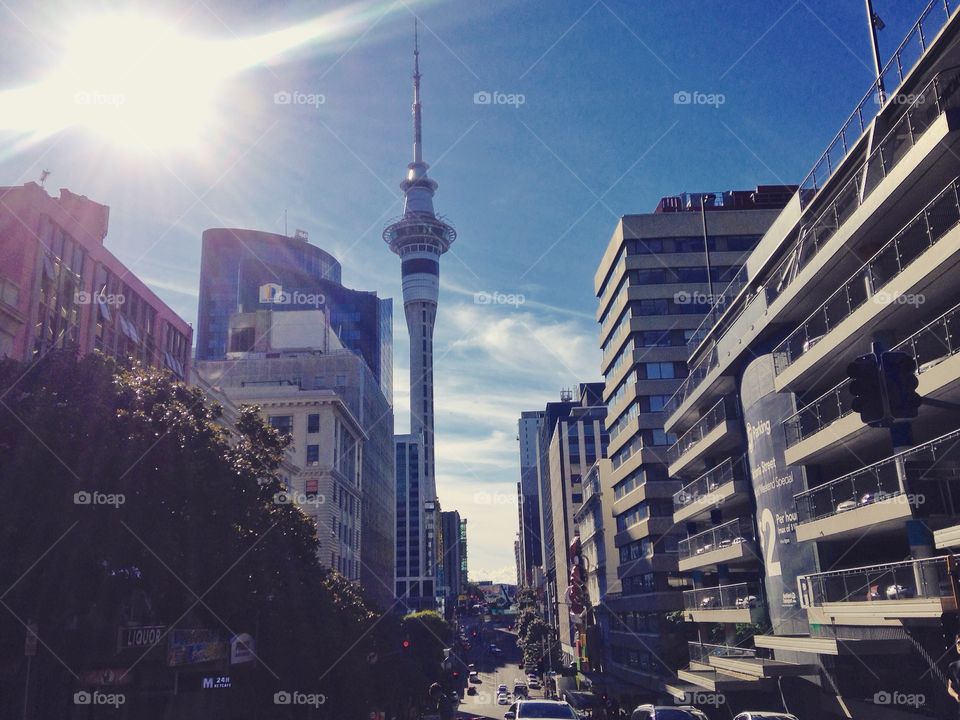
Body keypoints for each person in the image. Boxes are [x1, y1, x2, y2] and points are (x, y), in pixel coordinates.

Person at [949, 634, 960, 717]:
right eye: (958, 643)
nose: (959, 646)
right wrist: (956, 696)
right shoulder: (953, 666)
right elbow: (950, 687)